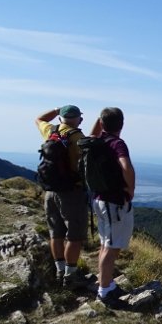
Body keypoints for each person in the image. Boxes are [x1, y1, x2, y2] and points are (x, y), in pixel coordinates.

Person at [34, 105, 89, 288]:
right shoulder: (78, 138)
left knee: (55, 232)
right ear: (78, 119)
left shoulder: (51, 131)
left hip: (50, 191)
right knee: (74, 236)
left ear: (61, 118)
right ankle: (70, 276)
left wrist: (57, 110)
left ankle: (59, 270)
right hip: (71, 192)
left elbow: (39, 119)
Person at [89, 107, 135, 307]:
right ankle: (104, 292)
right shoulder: (117, 144)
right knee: (110, 246)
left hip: (99, 200)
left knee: (106, 243)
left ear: (101, 122)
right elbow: (126, 167)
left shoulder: (95, 142)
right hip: (113, 202)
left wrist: (100, 120)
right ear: (122, 124)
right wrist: (130, 191)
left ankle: (105, 283)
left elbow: (92, 133)